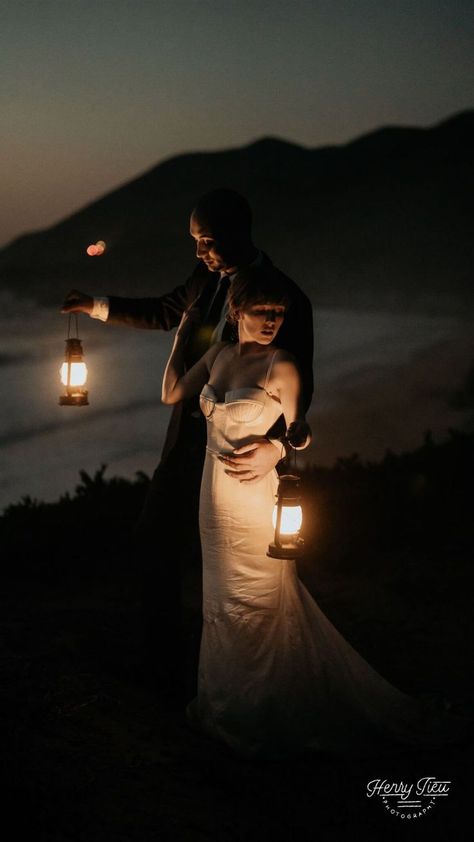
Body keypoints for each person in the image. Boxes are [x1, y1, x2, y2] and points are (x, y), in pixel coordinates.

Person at [161, 268, 471, 758]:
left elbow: (302, 428)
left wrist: (276, 450)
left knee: (260, 603)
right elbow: (172, 393)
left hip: (254, 500)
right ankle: (225, 706)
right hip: (212, 501)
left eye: (279, 313)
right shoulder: (217, 356)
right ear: (236, 311)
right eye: (263, 311)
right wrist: (182, 334)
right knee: (220, 604)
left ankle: (266, 711)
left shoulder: (281, 366)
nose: (273, 321)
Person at [61, 188, 314, 700]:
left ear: (240, 234)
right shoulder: (204, 279)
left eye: (208, 241)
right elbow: (164, 313)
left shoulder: (287, 300)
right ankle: (164, 670)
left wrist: (279, 450)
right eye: (195, 242)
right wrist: (95, 306)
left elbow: (301, 388)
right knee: (155, 542)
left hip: (244, 459)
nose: (200, 253)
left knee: (238, 571)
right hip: (185, 443)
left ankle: (243, 676)